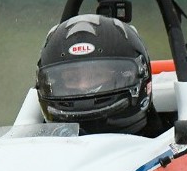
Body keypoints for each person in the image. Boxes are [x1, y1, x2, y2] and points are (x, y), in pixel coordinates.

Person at [35, 13, 170, 136]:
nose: (84, 87)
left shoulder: (174, 141)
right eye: (72, 78)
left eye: (96, 76)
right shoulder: (39, 147)